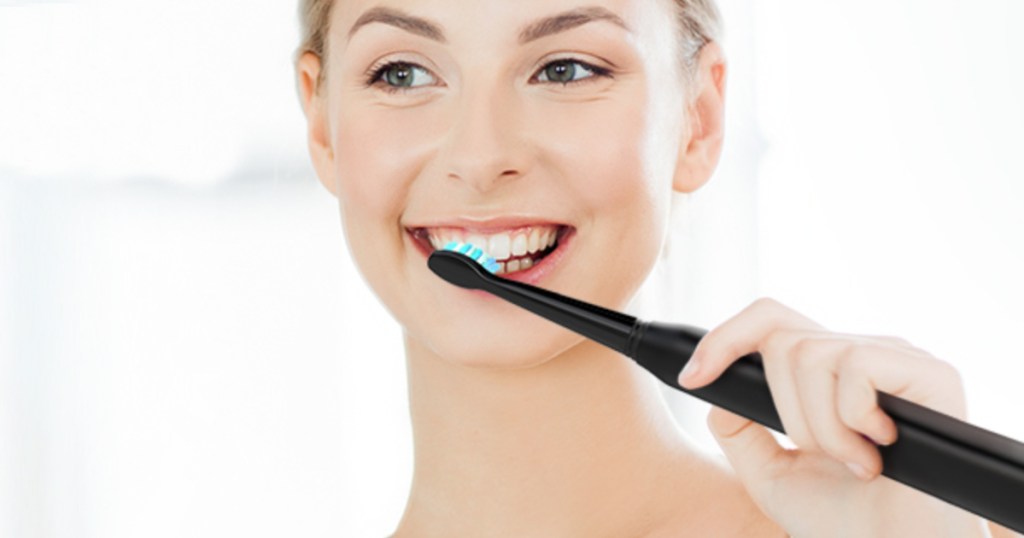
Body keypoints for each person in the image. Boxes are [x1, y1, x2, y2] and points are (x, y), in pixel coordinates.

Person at [293, 0, 1019, 535]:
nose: (480, 158)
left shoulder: (919, 523)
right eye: (402, 73)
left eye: (565, 69)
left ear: (697, 119)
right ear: (322, 124)